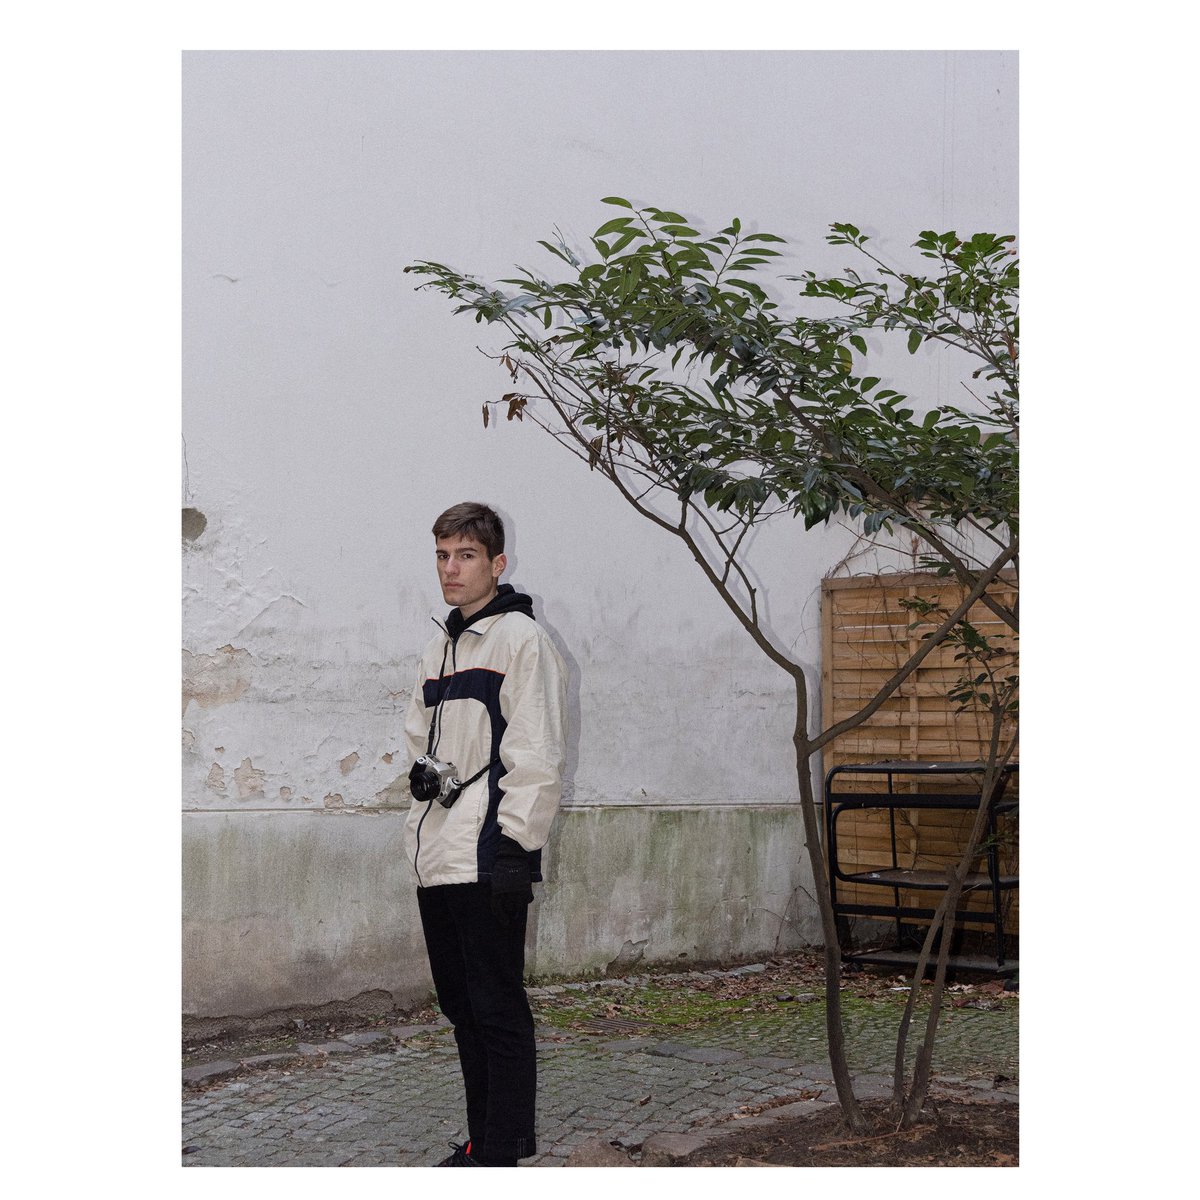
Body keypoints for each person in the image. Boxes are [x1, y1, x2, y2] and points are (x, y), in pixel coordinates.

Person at [403, 502, 568, 1167]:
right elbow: (419, 741)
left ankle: (502, 1154)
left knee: (497, 1007)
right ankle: (484, 1144)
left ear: (497, 564)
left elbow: (537, 753)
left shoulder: (522, 641)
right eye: (443, 555)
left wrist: (515, 849)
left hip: (489, 855)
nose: (451, 568)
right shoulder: (438, 647)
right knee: (461, 1007)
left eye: (466, 556)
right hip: (437, 856)